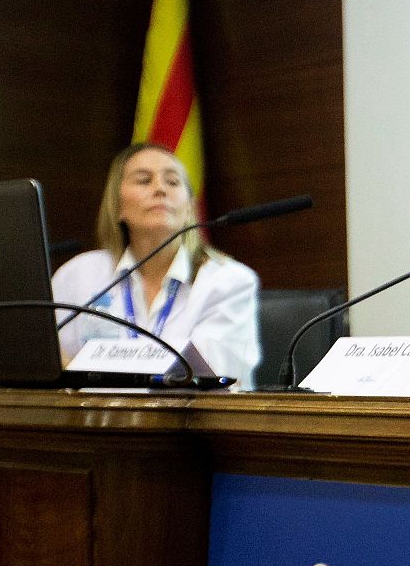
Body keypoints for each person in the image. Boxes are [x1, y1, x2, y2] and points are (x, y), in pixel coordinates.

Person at [52, 142, 261, 387]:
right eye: (143, 180)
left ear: (190, 209)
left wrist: (85, 368)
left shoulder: (228, 281)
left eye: (172, 182)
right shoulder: (78, 275)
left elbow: (206, 376)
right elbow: (47, 361)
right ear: (117, 206)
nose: (160, 189)